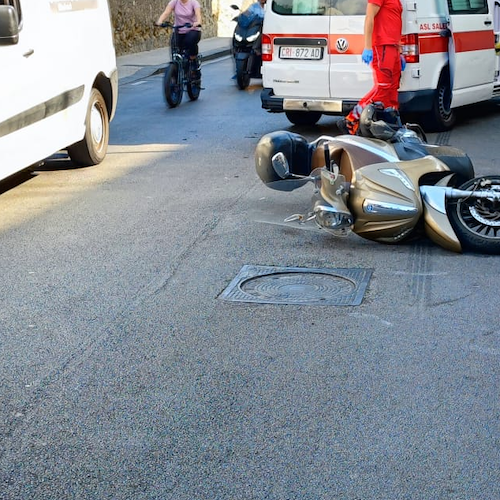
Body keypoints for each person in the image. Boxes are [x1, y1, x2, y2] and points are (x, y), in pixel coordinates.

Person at [337, 0, 403, 135]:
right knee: (383, 87)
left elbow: (394, 22)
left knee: (392, 88)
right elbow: (369, 17)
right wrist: (368, 47)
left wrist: (399, 50)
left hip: (392, 47)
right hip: (382, 46)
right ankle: (351, 119)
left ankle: (390, 122)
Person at [155, 0, 202, 66]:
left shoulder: (193, 2)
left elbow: (198, 14)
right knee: (174, 45)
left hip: (192, 29)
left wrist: (198, 22)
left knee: (190, 41)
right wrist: (160, 21)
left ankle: (193, 60)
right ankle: (175, 67)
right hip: (179, 30)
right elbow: (166, 12)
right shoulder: (175, 2)